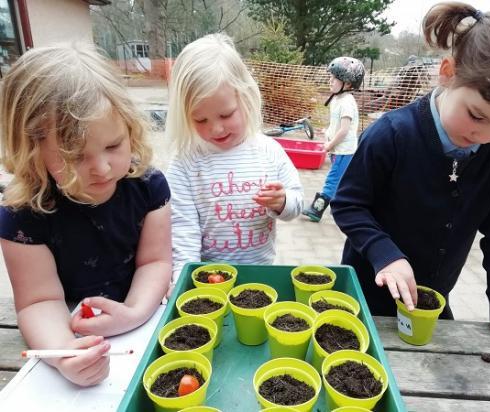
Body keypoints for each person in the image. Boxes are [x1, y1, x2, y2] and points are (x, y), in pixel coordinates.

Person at [331, 1, 490, 357]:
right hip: (364, 293)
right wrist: (384, 253)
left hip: (432, 299)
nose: (488, 135)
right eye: (477, 115)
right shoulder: (392, 135)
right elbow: (349, 204)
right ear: (448, 72)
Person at [0, 44, 172, 385]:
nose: (103, 168)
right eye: (76, 156)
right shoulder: (22, 215)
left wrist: (134, 312)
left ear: (129, 128)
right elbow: (38, 301)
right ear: (32, 152)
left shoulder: (148, 187)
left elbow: (155, 262)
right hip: (65, 329)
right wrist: (65, 353)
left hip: (142, 323)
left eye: (113, 146)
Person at [165, 33, 303, 280]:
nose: (216, 129)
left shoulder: (269, 151)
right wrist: (182, 277)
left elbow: (297, 203)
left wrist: (282, 202)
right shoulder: (185, 162)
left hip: (260, 275)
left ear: (246, 97)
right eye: (200, 120)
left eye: (226, 114)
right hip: (208, 280)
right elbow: (182, 229)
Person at [302, 56, 364, 222]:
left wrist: (329, 144)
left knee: (333, 179)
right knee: (342, 181)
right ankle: (343, 208)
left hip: (344, 150)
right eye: (331, 76)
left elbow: (344, 130)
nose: (330, 80)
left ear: (348, 83)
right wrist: (328, 130)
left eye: (335, 78)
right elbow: (337, 125)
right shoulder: (338, 99)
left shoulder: (347, 102)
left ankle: (316, 210)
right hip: (339, 148)